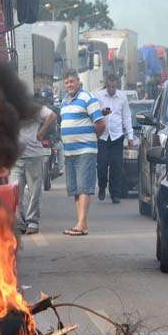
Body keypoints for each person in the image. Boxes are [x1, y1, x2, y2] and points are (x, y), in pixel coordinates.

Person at [59, 69, 105, 236]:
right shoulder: (64, 102)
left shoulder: (87, 98)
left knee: (84, 187)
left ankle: (82, 223)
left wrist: (91, 140)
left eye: (72, 81)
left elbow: (100, 123)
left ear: (78, 81)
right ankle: (80, 223)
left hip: (86, 150)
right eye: (67, 82)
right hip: (70, 152)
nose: (69, 85)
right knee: (76, 189)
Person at [10, 99, 57, 235]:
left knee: (34, 191)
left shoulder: (34, 108)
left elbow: (52, 116)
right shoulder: (10, 108)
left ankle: (32, 221)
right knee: (15, 191)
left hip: (34, 156)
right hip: (16, 157)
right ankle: (19, 222)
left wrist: (41, 132)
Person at [95, 74, 134, 204]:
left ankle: (115, 193)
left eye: (114, 86)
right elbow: (93, 113)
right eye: (109, 87)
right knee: (101, 164)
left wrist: (130, 136)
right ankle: (101, 186)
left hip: (117, 136)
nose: (112, 89)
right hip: (102, 136)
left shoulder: (122, 97)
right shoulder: (98, 96)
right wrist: (102, 112)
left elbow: (127, 117)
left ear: (117, 85)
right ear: (106, 85)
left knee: (116, 166)